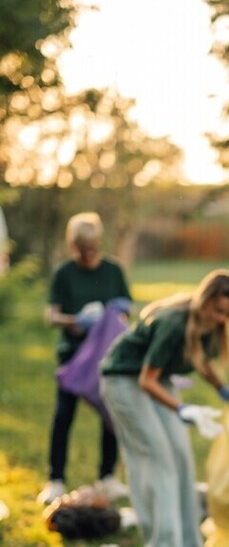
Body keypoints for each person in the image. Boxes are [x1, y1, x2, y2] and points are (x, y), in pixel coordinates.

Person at [100, 270, 229, 547]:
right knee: (159, 459)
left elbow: (198, 359)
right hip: (124, 379)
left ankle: (189, 545)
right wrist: (182, 409)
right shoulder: (173, 323)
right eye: (218, 311)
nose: (222, 319)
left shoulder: (209, 326)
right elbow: (146, 380)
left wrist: (221, 388)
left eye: (228, 314)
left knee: (181, 456)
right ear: (205, 300)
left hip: (158, 381)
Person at [37, 212, 132, 505]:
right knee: (63, 416)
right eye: (82, 248)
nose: (88, 254)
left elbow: (127, 310)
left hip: (107, 358)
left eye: (93, 247)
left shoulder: (113, 270)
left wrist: (114, 312)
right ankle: (56, 479)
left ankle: (107, 477)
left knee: (110, 417)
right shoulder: (64, 273)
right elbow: (50, 315)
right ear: (73, 245)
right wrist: (73, 320)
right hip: (75, 358)